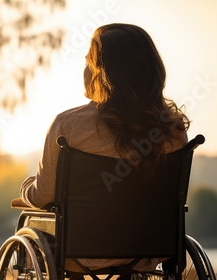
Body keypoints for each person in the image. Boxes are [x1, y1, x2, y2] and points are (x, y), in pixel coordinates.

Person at [19, 23, 190, 276]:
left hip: (79, 253)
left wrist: (27, 188)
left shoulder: (68, 125)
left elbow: (43, 196)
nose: (84, 70)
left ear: (103, 72)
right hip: (147, 252)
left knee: (27, 221)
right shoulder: (173, 131)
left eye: (89, 62)